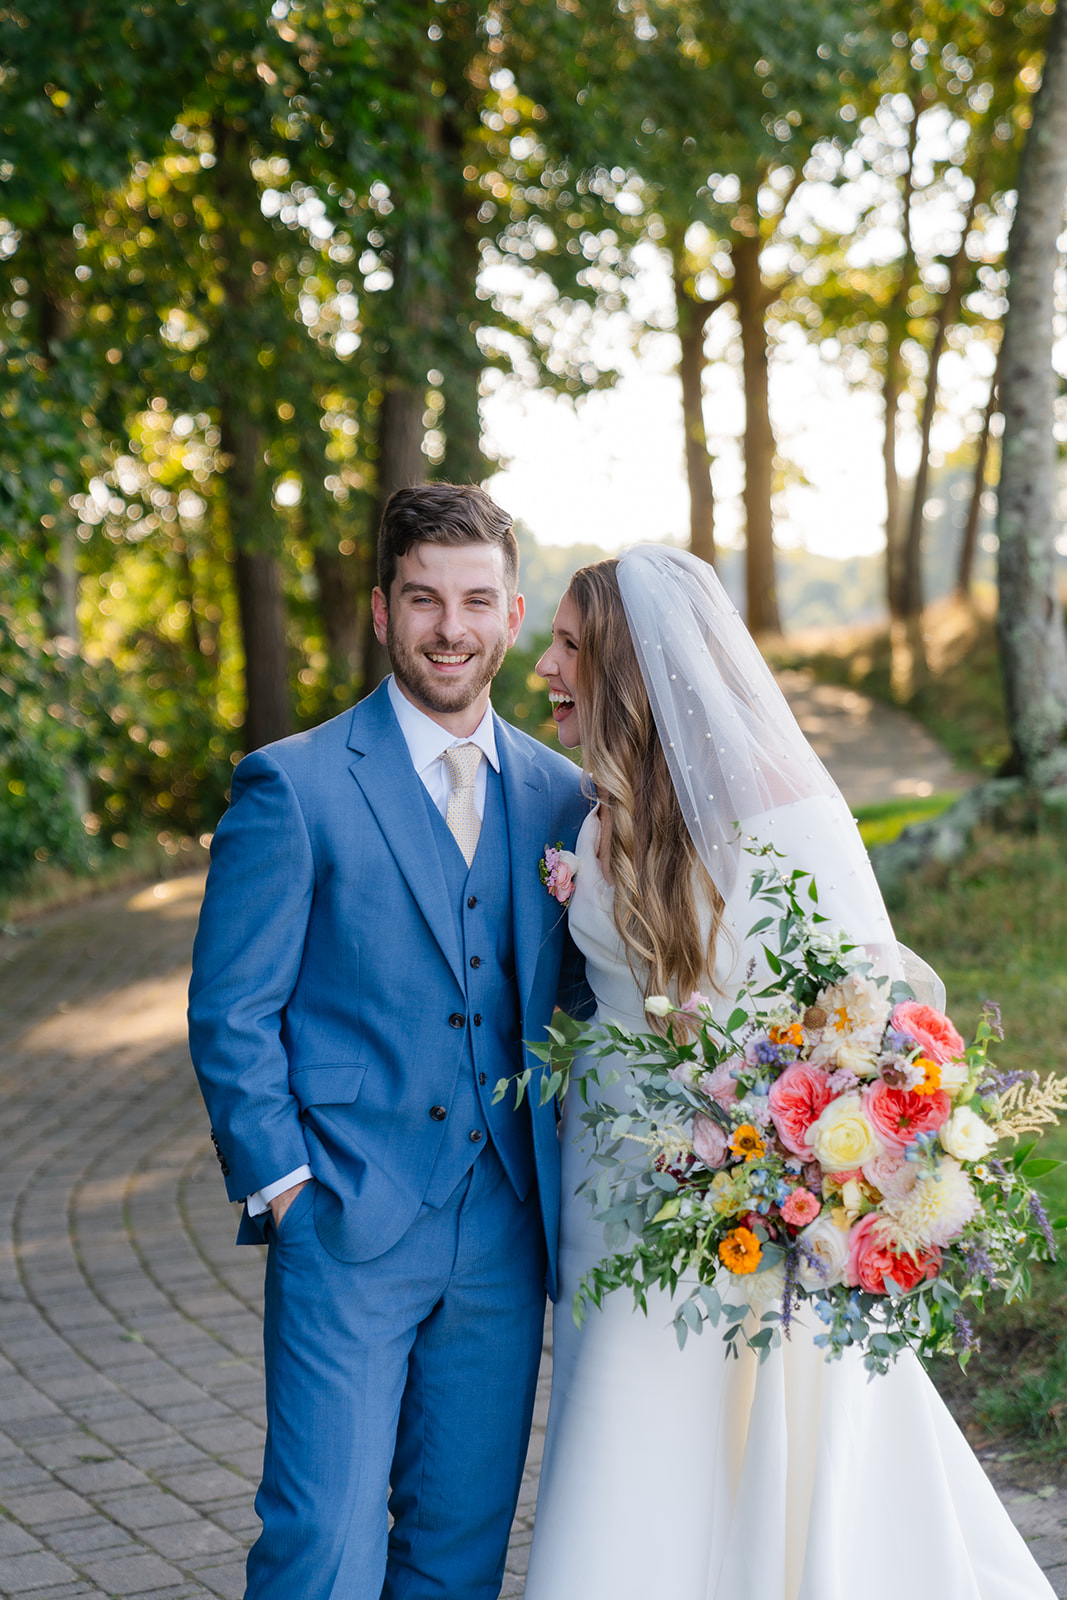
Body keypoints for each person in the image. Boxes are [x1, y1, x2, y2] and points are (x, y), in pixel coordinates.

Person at [526, 544, 1054, 1600]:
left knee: (755, 1432)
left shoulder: (781, 815)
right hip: (610, 1190)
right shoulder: (600, 811)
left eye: (569, 646)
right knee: (621, 1438)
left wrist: (811, 1163)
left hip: (743, 1194)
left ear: (627, 669)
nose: (543, 664)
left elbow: (869, 1014)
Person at [187, 482, 592, 1600]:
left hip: (506, 1229)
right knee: (318, 1543)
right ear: (380, 612)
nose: (448, 628)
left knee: (457, 1550)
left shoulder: (564, 798)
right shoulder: (296, 784)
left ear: (512, 616)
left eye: (474, 601)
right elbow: (232, 1012)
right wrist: (284, 1191)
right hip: (344, 1217)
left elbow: (586, 998)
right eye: (423, 599)